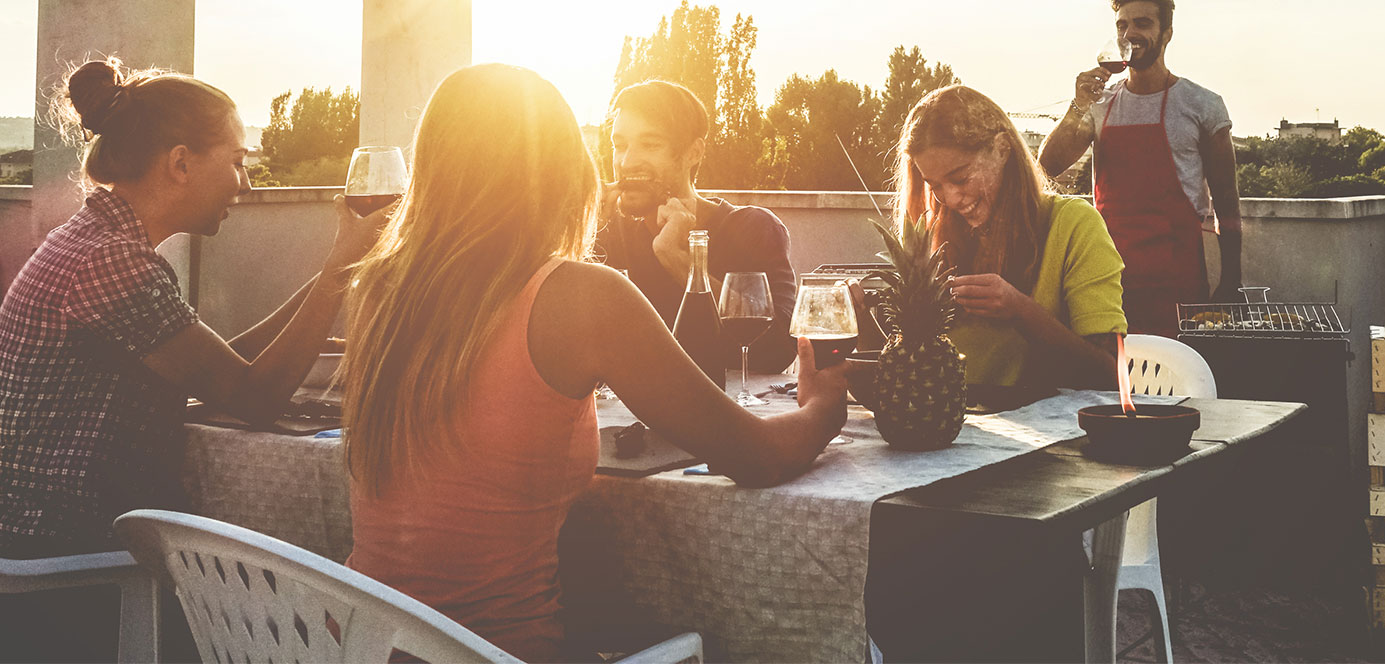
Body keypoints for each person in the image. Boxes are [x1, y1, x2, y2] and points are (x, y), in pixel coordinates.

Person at [341, 64, 846, 663]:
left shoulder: (379, 289)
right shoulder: (580, 295)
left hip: (353, 648)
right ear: (559, 167)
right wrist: (824, 407)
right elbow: (756, 455)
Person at [0, 58, 382, 661]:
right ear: (180, 163)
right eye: (236, 161)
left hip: (41, 541)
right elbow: (255, 398)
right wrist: (336, 274)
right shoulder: (113, 262)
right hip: (73, 566)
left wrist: (333, 269)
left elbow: (224, 368)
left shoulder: (93, 239)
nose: (246, 184)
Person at [1039, 0, 1244, 337]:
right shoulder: (1099, 105)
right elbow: (1050, 165)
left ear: (1167, 34)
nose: (1130, 33)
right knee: (1110, 379)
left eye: (1143, 24)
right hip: (1104, 274)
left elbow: (1227, 202)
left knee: (1176, 377)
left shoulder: (1202, 105)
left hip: (1176, 278)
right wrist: (1077, 105)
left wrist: (1231, 284)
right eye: (1122, 25)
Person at [891, 84, 1122, 392]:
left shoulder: (1074, 224)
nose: (950, 199)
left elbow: (1110, 374)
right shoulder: (934, 237)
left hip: (1052, 432)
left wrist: (1022, 310)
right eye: (934, 185)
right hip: (955, 428)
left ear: (1002, 149)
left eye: (960, 178)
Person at [596, 79, 796, 373]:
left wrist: (679, 261)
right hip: (624, 418)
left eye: (650, 145)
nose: (627, 162)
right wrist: (581, 231)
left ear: (694, 153)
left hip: (735, 415)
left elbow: (779, 350)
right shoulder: (608, 234)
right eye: (620, 145)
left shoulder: (753, 229)